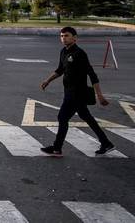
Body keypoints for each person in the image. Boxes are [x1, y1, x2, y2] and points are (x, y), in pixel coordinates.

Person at [40, 26, 114, 156]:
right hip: (69, 92)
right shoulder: (63, 51)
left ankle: (57, 148)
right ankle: (106, 143)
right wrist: (48, 80)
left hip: (77, 93)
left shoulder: (79, 53)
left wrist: (99, 95)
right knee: (86, 117)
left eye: (67, 36)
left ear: (74, 38)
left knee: (62, 117)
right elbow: (60, 70)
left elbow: (92, 74)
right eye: (62, 36)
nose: (64, 38)